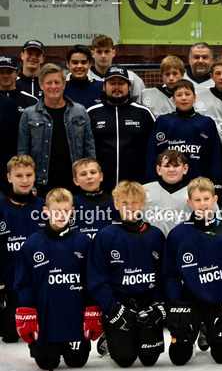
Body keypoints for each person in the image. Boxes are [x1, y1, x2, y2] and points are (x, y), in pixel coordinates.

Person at [13, 187, 97, 371]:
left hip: (75, 320)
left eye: (66, 210)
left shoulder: (84, 242)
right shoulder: (32, 244)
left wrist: (93, 308)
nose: (61, 215)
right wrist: (27, 311)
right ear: (46, 211)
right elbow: (24, 283)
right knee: (46, 363)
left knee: (77, 362)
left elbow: (92, 280)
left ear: (72, 211)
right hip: (46, 322)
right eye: (56, 211)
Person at [162, 177, 222, 365]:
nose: (203, 204)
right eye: (197, 200)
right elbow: (169, 273)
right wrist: (177, 305)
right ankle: (194, 330)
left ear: (215, 200)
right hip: (190, 300)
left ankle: (208, 329)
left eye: (206, 199)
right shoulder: (178, 235)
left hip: (219, 299)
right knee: (179, 358)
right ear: (189, 202)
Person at [87, 181, 167, 368]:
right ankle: (110, 336)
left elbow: (164, 274)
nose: (130, 207)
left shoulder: (155, 235)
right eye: (124, 203)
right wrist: (112, 307)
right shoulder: (106, 235)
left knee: (149, 359)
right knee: (124, 360)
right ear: (116, 204)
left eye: (134, 202)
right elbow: (97, 279)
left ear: (142, 204)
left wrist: (158, 305)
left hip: (147, 304)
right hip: (120, 305)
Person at [18, 63, 96, 195]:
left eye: (57, 82)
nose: (53, 86)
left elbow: (89, 150)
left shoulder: (80, 111)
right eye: (49, 83)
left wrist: (89, 181)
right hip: (41, 185)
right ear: (41, 85)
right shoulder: (29, 114)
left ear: (64, 84)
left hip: (75, 184)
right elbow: (23, 155)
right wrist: (30, 186)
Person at [0, 156, 46, 343]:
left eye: (29, 175)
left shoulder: (45, 207)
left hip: (42, 287)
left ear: (35, 176)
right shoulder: (1, 208)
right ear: (9, 178)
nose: (25, 180)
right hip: (10, 287)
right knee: (10, 335)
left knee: (46, 333)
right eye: (19, 175)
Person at [86, 66, 155, 192]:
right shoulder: (91, 113)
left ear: (129, 87)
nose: (117, 87)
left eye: (121, 83)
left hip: (136, 187)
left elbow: (154, 150)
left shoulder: (143, 113)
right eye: (112, 83)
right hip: (101, 188)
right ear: (104, 86)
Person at [146, 79, 222, 183]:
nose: (184, 98)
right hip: (169, 184)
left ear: (194, 98)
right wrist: (153, 179)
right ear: (173, 99)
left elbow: (215, 156)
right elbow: (153, 154)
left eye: (187, 94)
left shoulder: (206, 123)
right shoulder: (163, 122)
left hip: (199, 184)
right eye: (179, 95)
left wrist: (216, 180)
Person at [142, 149, 192, 237]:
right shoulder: (143, 191)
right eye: (167, 166)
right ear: (159, 169)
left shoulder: (196, 193)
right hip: (150, 242)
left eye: (176, 165)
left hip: (184, 242)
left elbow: (215, 221)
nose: (171, 169)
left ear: (185, 168)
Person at [71, 158, 116, 240]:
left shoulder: (115, 203)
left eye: (93, 172)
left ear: (101, 176)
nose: (89, 177)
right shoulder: (70, 204)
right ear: (76, 181)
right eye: (83, 174)